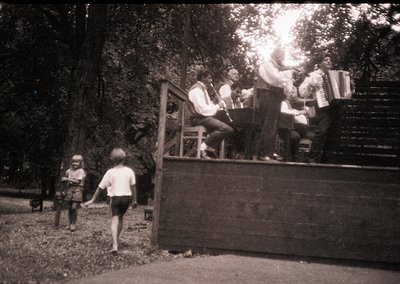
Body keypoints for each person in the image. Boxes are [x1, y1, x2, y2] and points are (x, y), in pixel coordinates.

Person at [83, 148, 137, 255]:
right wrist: (134, 200)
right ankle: (116, 240)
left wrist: (92, 199)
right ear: (124, 158)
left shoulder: (110, 172)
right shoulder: (129, 171)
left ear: (112, 159)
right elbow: (133, 186)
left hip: (115, 199)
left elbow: (100, 187)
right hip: (126, 199)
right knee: (120, 218)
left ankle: (115, 245)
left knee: (114, 220)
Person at [251, 46, 299, 161]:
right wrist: (290, 71)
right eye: (281, 55)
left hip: (275, 97)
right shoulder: (267, 64)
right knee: (269, 124)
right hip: (267, 96)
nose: (283, 58)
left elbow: (284, 85)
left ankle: (269, 151)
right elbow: (275, 78)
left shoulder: (277, 67)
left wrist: (289, 88)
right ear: (276, 55)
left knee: (273, 125)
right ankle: (264, 153)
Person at [188, 68, 234, 159]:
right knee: (227, 129)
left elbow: (207, 106)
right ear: (203, 78)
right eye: (209, 78)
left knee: (229, 124)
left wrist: (217, 103)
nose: (211, 80)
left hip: (203, 117)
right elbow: (203, 110)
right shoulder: (196, 90)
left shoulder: (203, 89)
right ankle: (202, 148)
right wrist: (218, 106)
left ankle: (211, 149)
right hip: (198, 118)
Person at [298, 53, 334, 163]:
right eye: (325, 60)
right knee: (321, 131)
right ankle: (312, 158)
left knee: (332, 132)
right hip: (321, 106)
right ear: (320, 63)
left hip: (334, 106)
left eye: (330, 60)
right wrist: (310, 86)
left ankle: (326, 160)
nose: (328, 61)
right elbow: (302, 92)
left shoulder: (333, 75)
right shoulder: (314, 75)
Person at [61, 155, 86, 232]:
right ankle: (69, 223)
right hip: (69, 189)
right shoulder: (69, 171)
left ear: (80, 163)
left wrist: (67, 179)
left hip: (77, 189)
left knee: (74, 207)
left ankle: (73, 224)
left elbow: (78, 181)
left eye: (77, 162)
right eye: (73, 161)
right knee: (69, 208)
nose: (74, 163)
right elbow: (63, 179)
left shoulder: (81, 171)